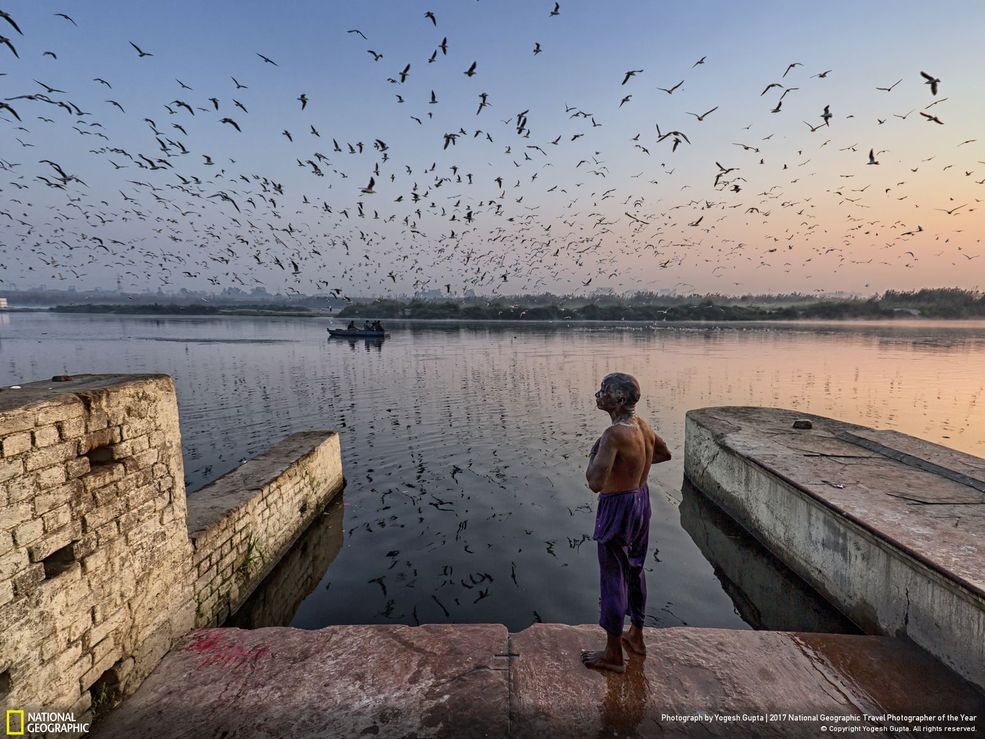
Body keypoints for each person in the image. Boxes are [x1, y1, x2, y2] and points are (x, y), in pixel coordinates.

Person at [581, 372, 672, 673]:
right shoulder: (642, 426)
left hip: (618, 506)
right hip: (640, 501)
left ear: (619, 400)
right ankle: (636, 636)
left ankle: (612, 654)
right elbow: (664, 453)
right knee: (634, 568)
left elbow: (595, 482)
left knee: (613, 575)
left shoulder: (613, 435)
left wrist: (595, 453)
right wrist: (632, 468)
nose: (597, 394)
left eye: (603, 391)